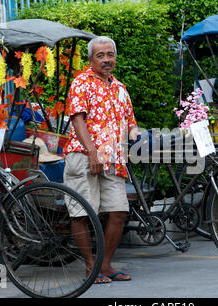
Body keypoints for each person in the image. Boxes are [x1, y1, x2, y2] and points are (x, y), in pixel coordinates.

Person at [63, 36, 141, 284]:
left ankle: (105, 265)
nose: (107, 60)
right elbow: (77, 120)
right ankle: (90, 267)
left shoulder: (120, 88)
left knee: (118, 211)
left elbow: (130, 124)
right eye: (101, 55)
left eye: (110, 55)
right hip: (84, 156)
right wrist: (92, 152)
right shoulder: (81, 83)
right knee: (83, 213)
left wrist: (140, 137)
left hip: (114, 159)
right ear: (90, 59)